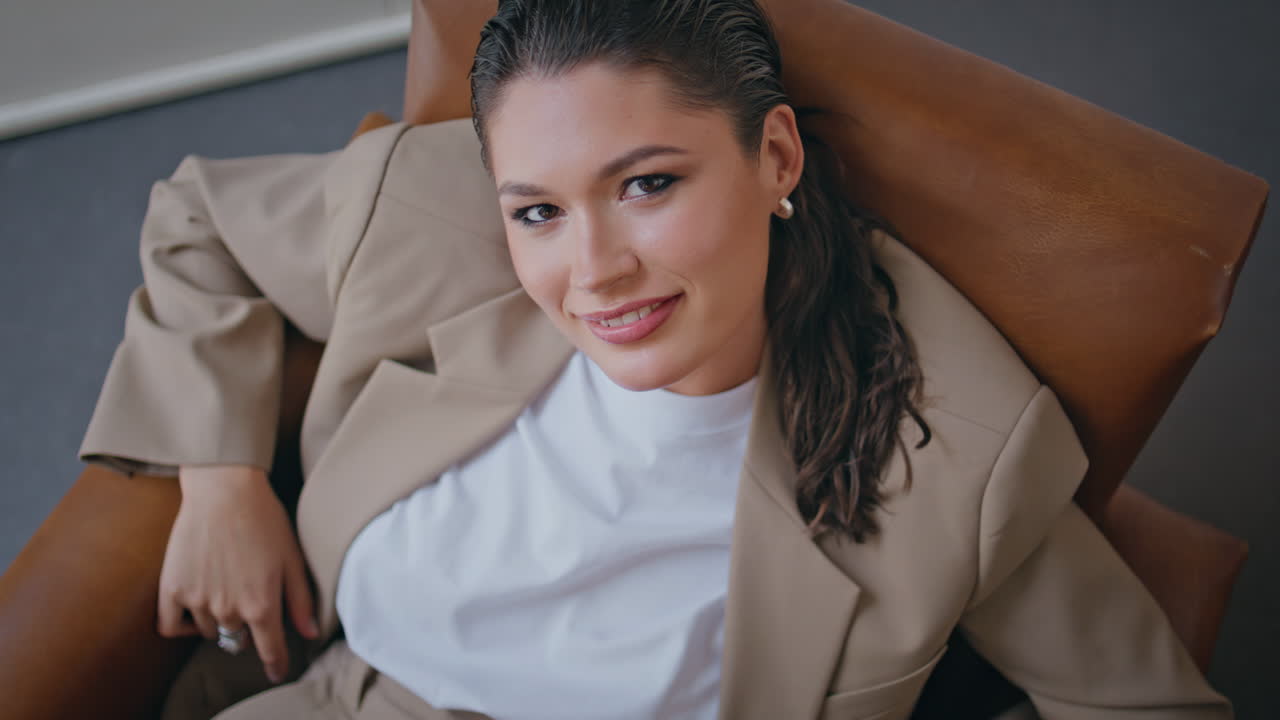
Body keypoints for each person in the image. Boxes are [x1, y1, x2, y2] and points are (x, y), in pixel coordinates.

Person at [78, 0, 1231, 718]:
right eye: (537, 211)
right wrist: (220, 478)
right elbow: (197, 225)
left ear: (773, 156)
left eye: (646, 185)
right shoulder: (422, 216)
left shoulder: (951, 449)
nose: (594, 271)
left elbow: (1141, 702)